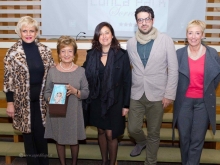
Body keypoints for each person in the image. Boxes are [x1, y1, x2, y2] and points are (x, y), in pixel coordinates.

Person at [126, 6, 178, 165]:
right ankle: (142, 142)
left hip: (158, 94)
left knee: (154, 133)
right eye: (140, 20)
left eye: (146, 19)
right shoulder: (130, 42)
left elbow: (174, 68)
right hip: (136, 93)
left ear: (152, 20)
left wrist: (169, 94)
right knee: (133, 129)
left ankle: (150, 161)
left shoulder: (165, 39)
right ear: (137, 22)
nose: (144, 23)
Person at [3, 16, 54, 165]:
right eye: (24, 30)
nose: (28, 33)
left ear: (37, 32)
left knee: (41, 136)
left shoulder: (45, 51)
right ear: (19, 32)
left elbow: (52, 76)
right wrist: (10, 103)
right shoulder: (12, 52)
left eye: (31, 30)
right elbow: (8, 80)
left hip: (42, 102)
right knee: (28, 137)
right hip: (22, 103)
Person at [83, 22, 131, 165]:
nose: (104, 36)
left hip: (115, 101)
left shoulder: (122, 55)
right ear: (97, 37)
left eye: (107, 32)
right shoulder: (91, 55)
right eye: (101, 33)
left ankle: (112, 162)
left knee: (111, 134)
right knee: (101, 132)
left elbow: (127, 81)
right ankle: (104, 161)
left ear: (112, 35)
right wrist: (63, 68)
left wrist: (126, 105)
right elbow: (82, 74)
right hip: (96, 100)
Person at [173, 20, 220, 165]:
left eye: (197, 33)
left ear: (203, 35)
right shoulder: (179, 54)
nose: (193, 36)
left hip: (203, 104)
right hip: (184, 103)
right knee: (185, 139)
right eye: (190, 33)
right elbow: (173, 78)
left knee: (197, 140)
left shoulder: (212, 53)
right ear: (186, 35)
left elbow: (216, 78)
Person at [44, 35, 89, 165]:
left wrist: (76, 91)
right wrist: (52, 98)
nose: (66, 54)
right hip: (57, 113)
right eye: (63, 51)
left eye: (70, 51)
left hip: (74, 112)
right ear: (59, 54)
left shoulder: (81, 71)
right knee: (59, 140)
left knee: (74, 140)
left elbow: (86, 92)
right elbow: (46, 92)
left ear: (74, 54)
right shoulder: (52, 72)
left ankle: (74, 163)